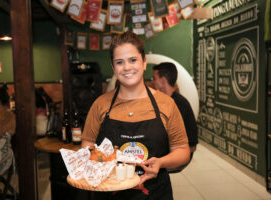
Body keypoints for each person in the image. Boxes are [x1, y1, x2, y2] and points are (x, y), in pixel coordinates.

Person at [81, 31, 190, 200]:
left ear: (144, 62)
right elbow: (86, 145)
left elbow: (183, 151)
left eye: (133, 60)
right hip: (110, 193)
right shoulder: (100, 105)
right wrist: (100, 165)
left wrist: (161, 162)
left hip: (155, 193)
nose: (126, 67)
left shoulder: (166, 104)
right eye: (119, 62)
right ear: (113, 68)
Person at [152, 62, 198, 173]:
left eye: (154, 78)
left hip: (182, 153)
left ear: (163, 80)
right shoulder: (168, 100)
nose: (152, 82)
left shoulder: (178, 104)